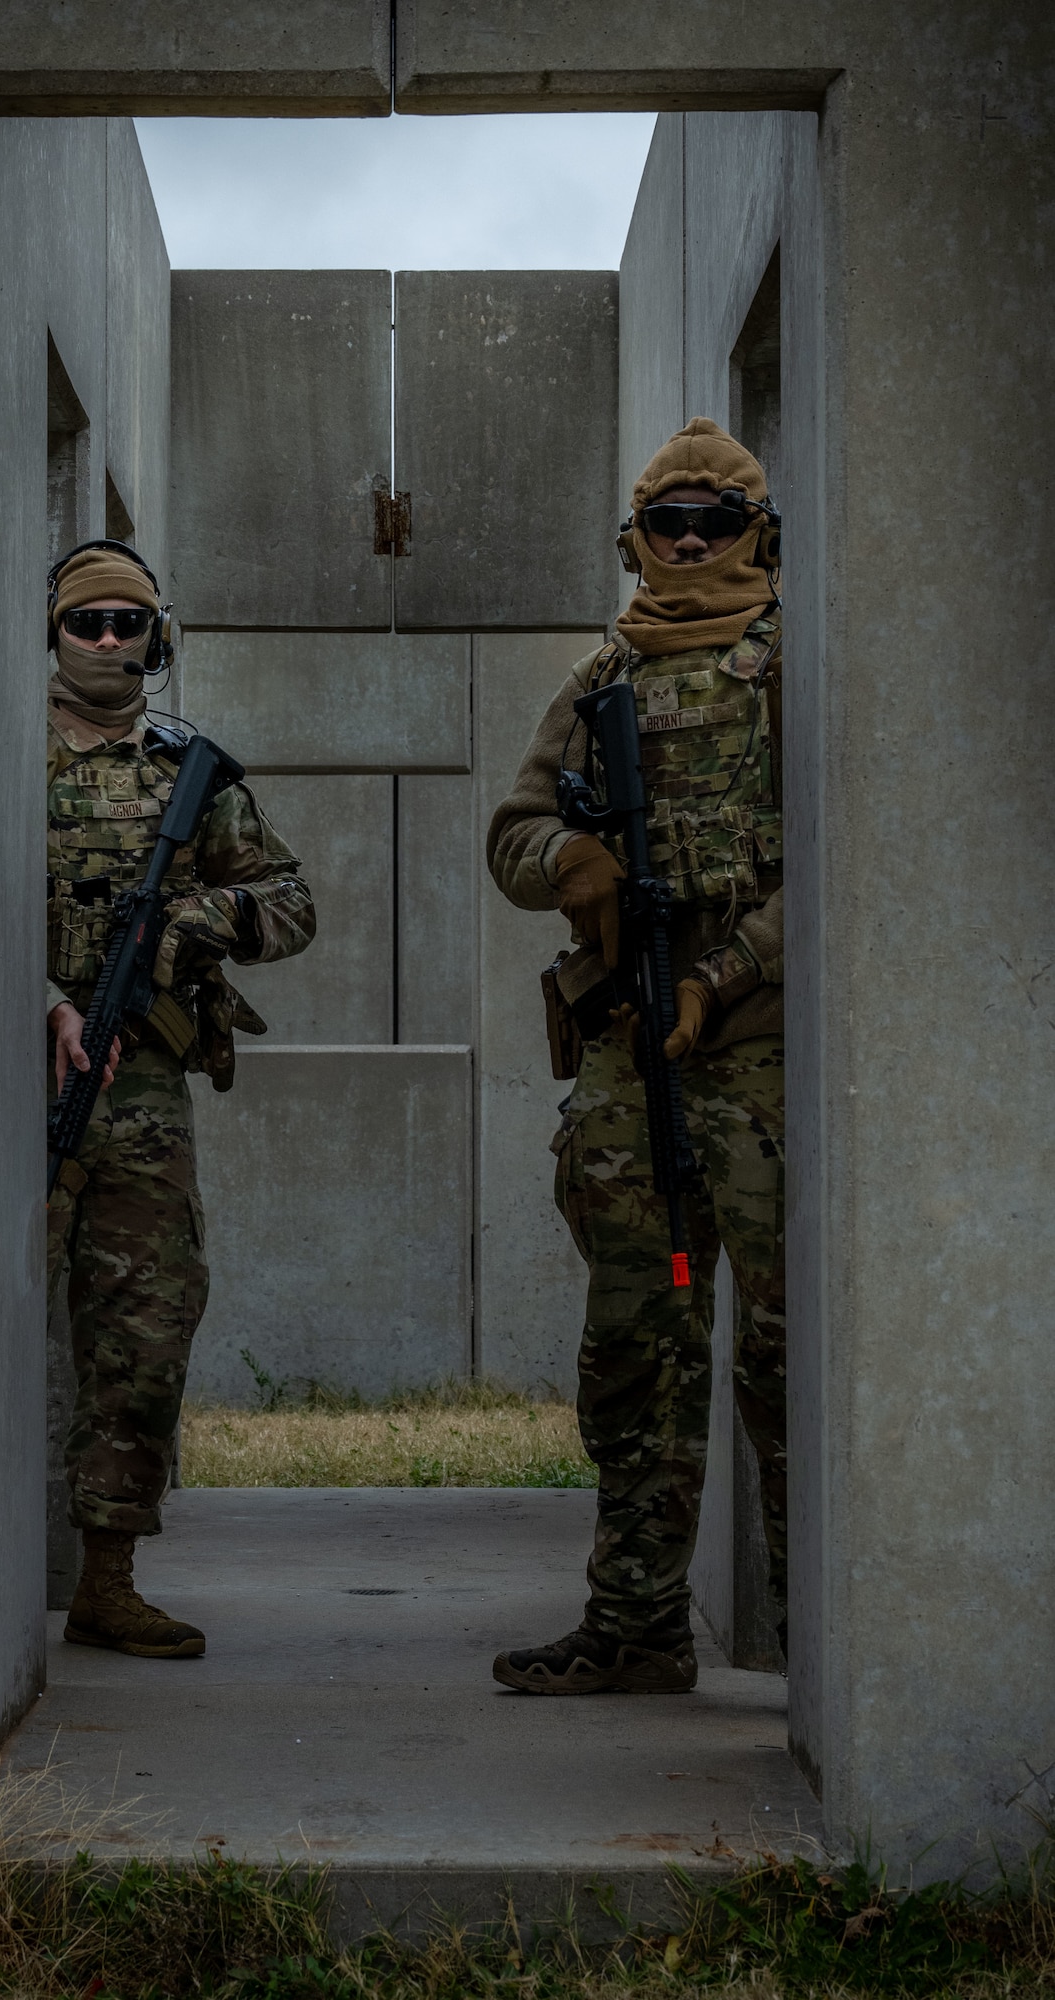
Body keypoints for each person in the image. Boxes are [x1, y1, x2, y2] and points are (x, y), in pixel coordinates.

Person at [487, 418, 786, 1694]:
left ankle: (827, 1640)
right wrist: (568, 860)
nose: (689, 540)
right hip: (628, 1059)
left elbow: (843, 859)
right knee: (638, 1337)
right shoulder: (601, 675)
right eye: (668, 522)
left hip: (760, 1063)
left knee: (784, 1353)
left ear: (753, 531)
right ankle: (636, 1624)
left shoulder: (794, 666)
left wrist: (723, 974)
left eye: (715, 521)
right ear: (636, 534)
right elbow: (512, 829)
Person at [45, 539, 315, 1658]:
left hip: (138, 1093)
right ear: (52, 632)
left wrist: (182, 925)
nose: (109, 641)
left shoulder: (187, 769)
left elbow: (290, 903)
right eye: (87, 622)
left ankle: (106, 1576)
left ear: (160, 635)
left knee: (144, 1325)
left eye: (129, 623)